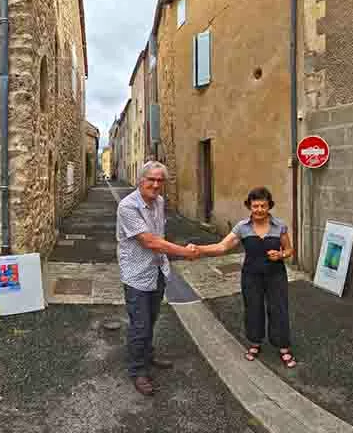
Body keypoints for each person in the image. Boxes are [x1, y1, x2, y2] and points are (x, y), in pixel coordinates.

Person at [116, 161, 203, 396]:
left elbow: (159, 235)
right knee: (140, 324)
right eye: (151, 179)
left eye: (160, 180)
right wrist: (185, 251)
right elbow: (149, 241)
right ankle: (137, 371)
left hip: (157, 271)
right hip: (136, 274)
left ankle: (147, 355)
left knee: (151, 319)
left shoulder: (160, 202)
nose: (155, 185)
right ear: (140, 180)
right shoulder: (127, 206)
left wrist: (167, 260)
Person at [198, 187, 297, 368]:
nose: (259, 210)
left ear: (269, 206)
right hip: (251, 276)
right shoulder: (242, 228)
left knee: (279, 310)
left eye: (263, 206)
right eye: (255, 206)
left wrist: (281, 255)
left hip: (276, 275)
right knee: (253, 309)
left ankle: (283, 346)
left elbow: (290, 250)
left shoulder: (279, 226)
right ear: (249, 207)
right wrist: (199, 250)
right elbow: (222, 247)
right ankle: (255, 343)